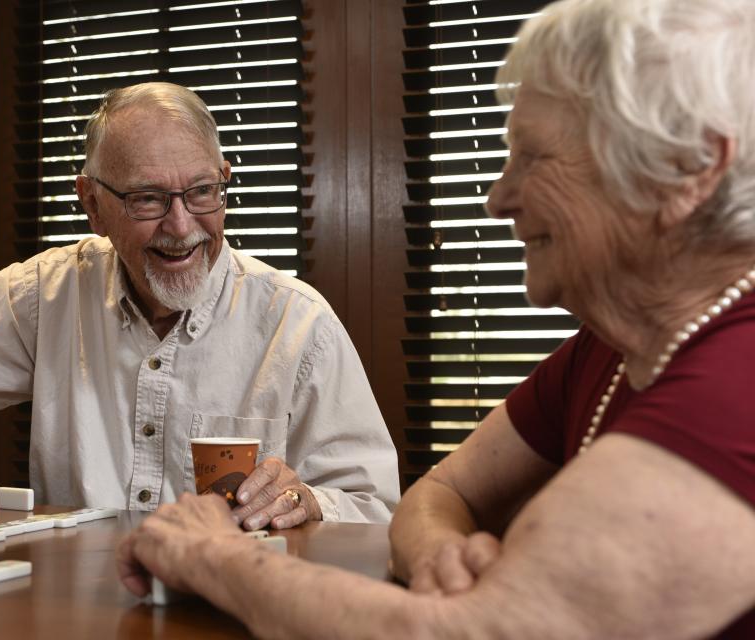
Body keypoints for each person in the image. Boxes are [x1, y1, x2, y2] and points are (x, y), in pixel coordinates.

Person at [116, 0, 755, 637]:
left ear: (689, 170)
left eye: (533, 158)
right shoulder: (611, 351)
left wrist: (214, 556)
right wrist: (444, 561)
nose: (498, 197)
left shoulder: (737, 383)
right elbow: (437, 495)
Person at [0, 82, 398, 530]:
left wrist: (305, 502)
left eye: (201, 192)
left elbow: (374, 505)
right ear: (92, 204)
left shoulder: (298, 323)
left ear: (223, 181)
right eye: (147, 199)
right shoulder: (47, 296)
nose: (181, 226)